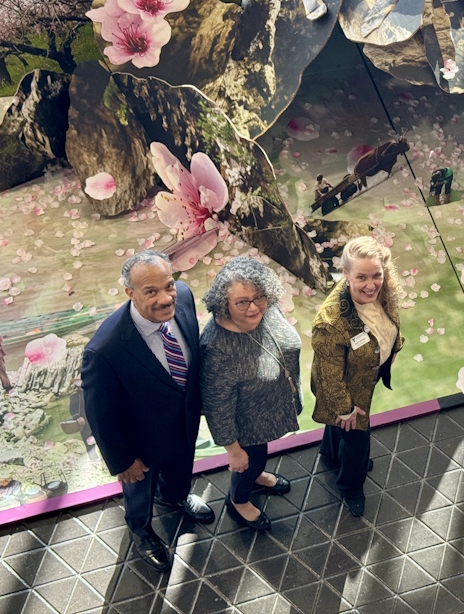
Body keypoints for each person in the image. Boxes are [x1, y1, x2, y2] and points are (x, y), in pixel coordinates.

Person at [82, 250, 214, 573]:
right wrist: (122, 460)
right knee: (139, 493)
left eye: (168, 285)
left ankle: (176, 497)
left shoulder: (183, 297)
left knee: (181, 469)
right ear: (130, 293)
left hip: (182, 424)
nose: (165, 298)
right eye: (151, 292)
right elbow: (100, 416)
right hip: (140, 442)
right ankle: (142, 531)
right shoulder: (105, 349)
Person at [200, 256, 303, 532]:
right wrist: (233, 450)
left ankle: (256, 477)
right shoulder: (217, 349)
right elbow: (216, 405)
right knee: (248, 461)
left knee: (259, 456)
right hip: (245, 425)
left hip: (267, 411)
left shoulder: (265, 310)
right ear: (224, 303)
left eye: (259, 297)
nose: (254, 307)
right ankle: (239, 500)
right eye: (242, 302)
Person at [311, 236, 403, 517]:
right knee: (356, 439)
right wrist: (345, 409)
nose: (371, 284)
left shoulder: (384, 291)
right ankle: (351, 485)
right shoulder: (331, 322)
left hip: (365, 373)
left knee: (339, 431)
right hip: (343, 391)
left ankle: (329, 453)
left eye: (376, 275)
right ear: (346, 275)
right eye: (361, 277)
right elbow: (329, 377)